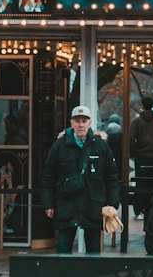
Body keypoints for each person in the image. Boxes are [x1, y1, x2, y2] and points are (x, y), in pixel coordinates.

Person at [42, 104, 120, 255]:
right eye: (77, 121)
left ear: (90, 123)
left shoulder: (101, 146)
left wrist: (112, 203)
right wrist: (48, 203)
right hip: (66, 204)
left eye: (84, 121)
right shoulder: (59, 145)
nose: (81, 125)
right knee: (63, 250)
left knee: (93, 251)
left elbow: (112, 176)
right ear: (71, 123)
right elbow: (48, 175)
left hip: (93, 204)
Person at [129, 95, 153, 218]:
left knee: (140, 185)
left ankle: (139, 210)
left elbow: (131, 138)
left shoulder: (137, 122)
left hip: (141, 157)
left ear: (143, 105)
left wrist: (134, 153)